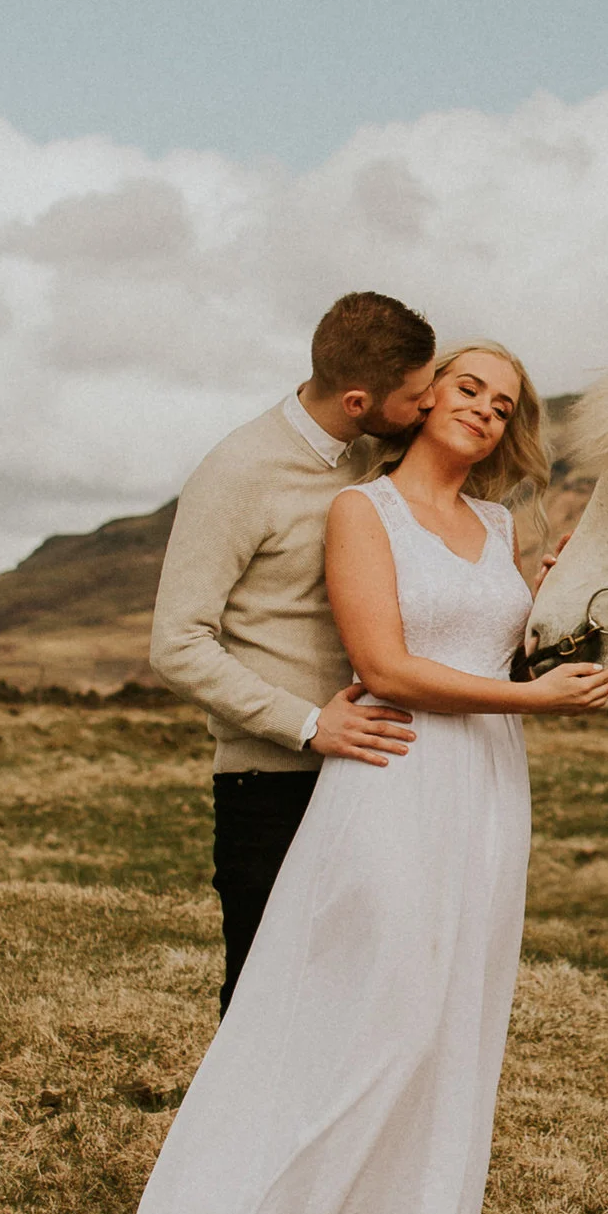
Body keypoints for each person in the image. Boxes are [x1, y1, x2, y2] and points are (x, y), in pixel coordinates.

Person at [123, 341, 608, 1214]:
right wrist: (532, 698)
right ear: (424, 397)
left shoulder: (498, 523)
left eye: (503, 401)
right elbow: (386, 667)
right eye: (468, 386)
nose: (484, 407)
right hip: (394, 772)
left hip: (486, 785)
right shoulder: (363, 512)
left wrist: (548, 599)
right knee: (379, 1010)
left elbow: (498, 646)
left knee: (449, 1017)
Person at [150, 289, 444, 1011]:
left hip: (373, 773)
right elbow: (176, 642)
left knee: (356, 1000)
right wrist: (309, 724)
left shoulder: (375, 457)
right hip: (271, 784)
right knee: (265, 1003)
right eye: (415, 396)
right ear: (356, 400)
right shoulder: (239, 472)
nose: (430, 405)